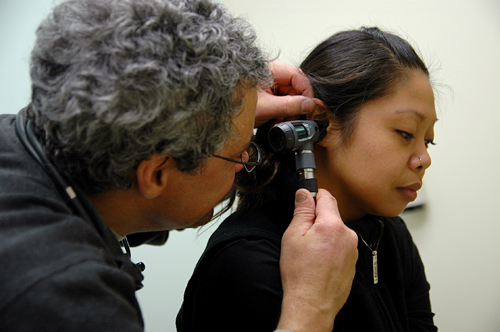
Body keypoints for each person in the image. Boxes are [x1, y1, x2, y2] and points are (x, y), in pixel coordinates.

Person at [0, 0, 358, 331]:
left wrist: (231, 100)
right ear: (155, 175)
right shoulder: (65, 303)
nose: (246, 162)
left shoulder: (25, 143)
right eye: (236, 153)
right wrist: (311, 308)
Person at [177, 27, 438, 332]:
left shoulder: (389, 234)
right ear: (322, 124)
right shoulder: (247, 259)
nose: (424, 159)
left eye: (428, 141)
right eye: (406, 133)